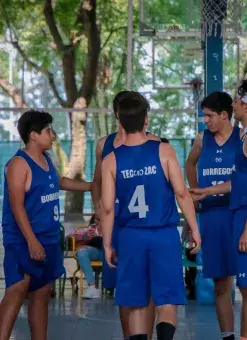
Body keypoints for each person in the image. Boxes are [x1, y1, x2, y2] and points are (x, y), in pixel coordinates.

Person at [101, 91, 201, 340]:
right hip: (163, 235)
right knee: (166, 300)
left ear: (120, 122)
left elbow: (107, 207)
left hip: (130, 236)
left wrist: (106, 244)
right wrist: (195, 229)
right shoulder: (164, 151)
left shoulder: (111, 160)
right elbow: (182, 194)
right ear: (146, 120)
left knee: (135, 301)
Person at [190, 78, 247, 340]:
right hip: (246, 212)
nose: (233, 105)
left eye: (237, 101)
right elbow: (244, 182)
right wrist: (206, 191)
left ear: (246, 105)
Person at [0, 110, 92, 340]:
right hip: (23, 240)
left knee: (42, 293)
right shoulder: (18, 165)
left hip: (49, 238)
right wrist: (31, 241)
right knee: (17, 289)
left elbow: (59, 181)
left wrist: (91, 186)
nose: (53, 135)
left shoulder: (47, 160)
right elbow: (17, 206)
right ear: (33, 135)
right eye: (48, 131)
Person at [91, 90, 159, 340]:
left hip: (144, 224)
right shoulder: (104, 145)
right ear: (117, 114)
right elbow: (96, 182)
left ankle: (146, 336)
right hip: (116, 223)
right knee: (125, 287)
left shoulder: (154, 143)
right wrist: (98, 206)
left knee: (148, 286)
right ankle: (129, 336)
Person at [185, 91, 240, 340]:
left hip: (236, 214)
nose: (205, 120)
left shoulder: (243, 139)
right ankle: (227, 335)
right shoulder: (201, 139)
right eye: (203, 116)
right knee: (221, 283)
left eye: (209, 116)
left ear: (225, 115)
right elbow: (189, 164)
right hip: (211, 216)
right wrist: (196, 194)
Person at [68, 214, 103, 299]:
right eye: (96, 220)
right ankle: (92, 287)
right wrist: (85, 237)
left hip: (110, 251)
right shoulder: (90, 230)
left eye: (100, 220)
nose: (97, 222)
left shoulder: (114, 227)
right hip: (97, 252)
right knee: (82, 252)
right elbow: (69, 237)